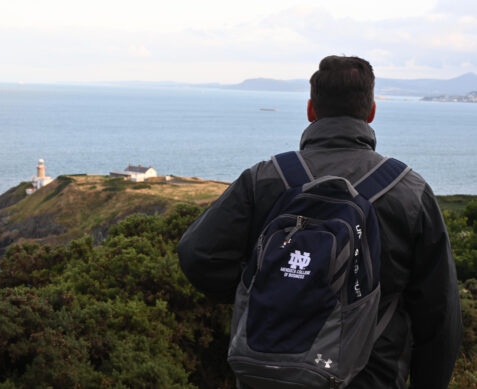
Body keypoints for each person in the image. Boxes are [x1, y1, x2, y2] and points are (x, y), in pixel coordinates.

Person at [177, 55, 463, 388]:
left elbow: (197, 255)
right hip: (370, 376)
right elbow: (440, 314)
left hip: (268, 373)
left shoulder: (265, 178)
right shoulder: (408, 191)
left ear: (311, 110)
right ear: (371, 112)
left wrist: (270, 292)